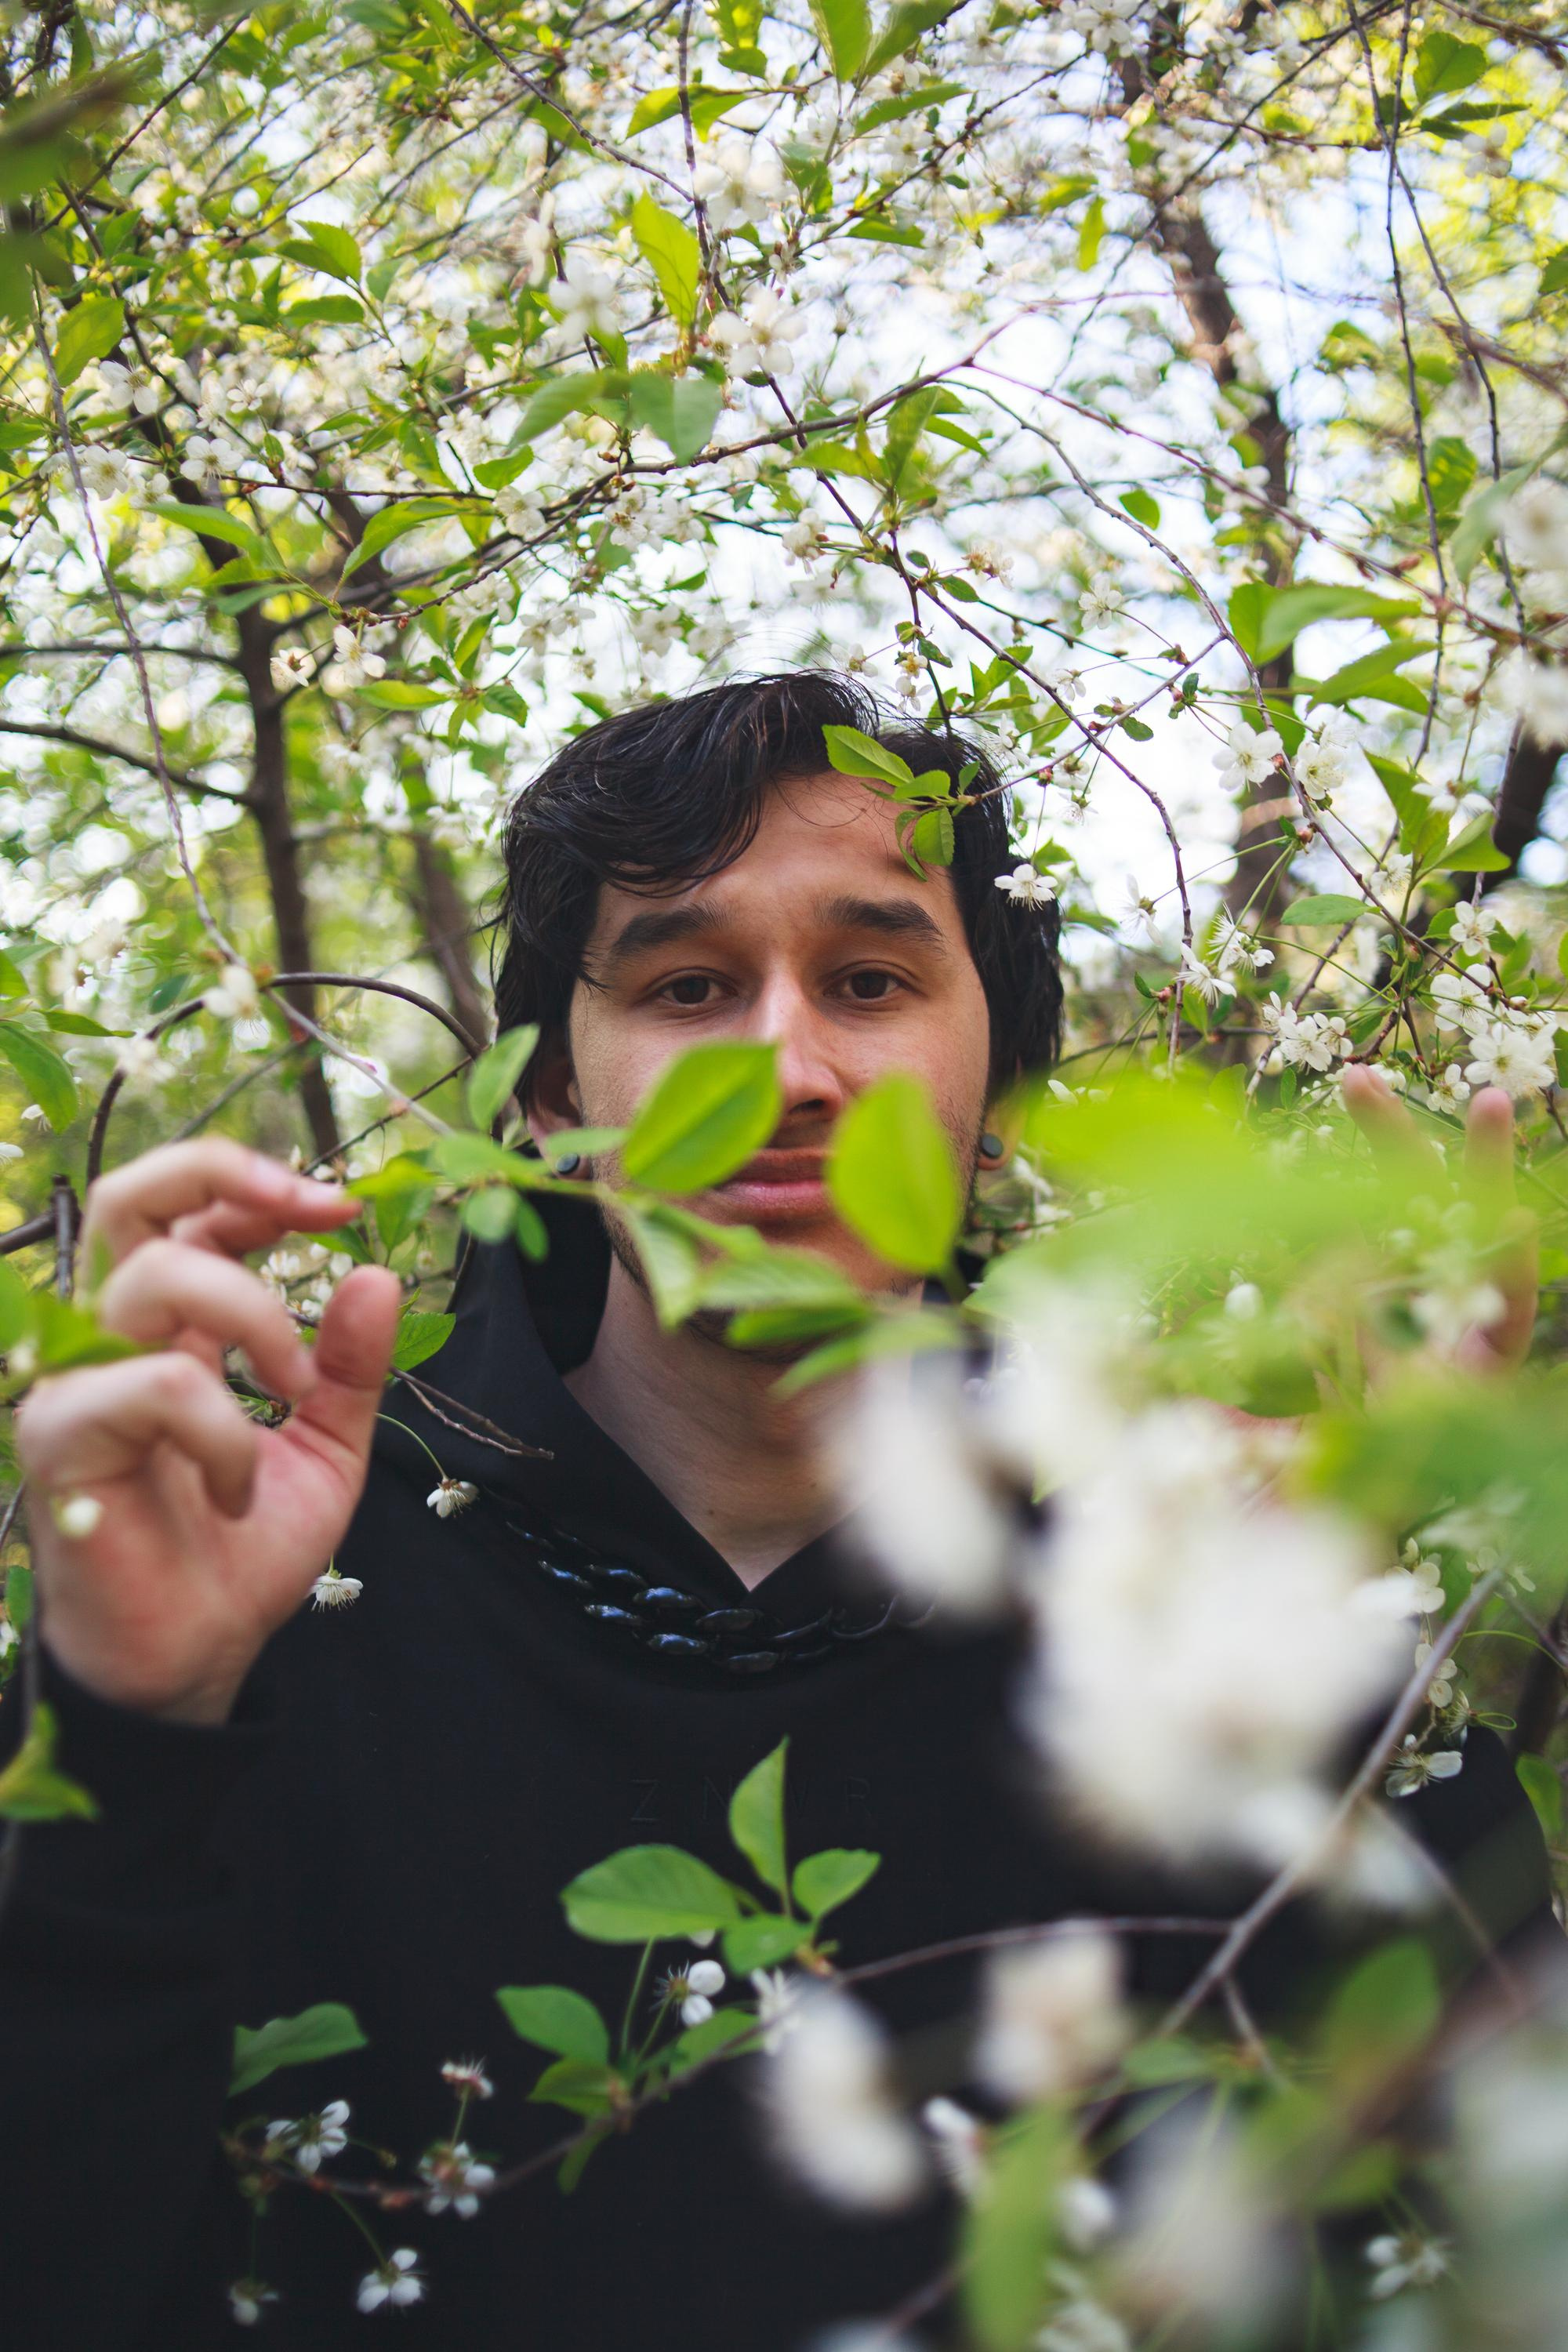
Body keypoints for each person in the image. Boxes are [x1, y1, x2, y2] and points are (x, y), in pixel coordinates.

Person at [0, 673, 1550, 2350]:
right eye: (686, 984)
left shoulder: (1172, 1582)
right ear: (543, 1101)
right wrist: (125, 1729)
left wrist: (1395, 1602)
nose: (787, 1067)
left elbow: (1471, 2223)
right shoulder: (284, 1571)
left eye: (871, 980)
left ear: (997, 1096)